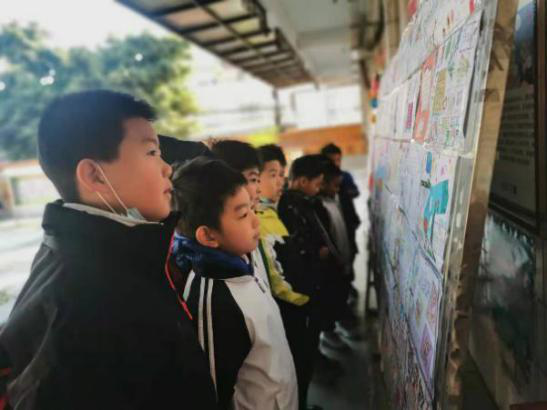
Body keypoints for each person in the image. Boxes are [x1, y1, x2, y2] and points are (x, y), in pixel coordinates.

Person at [0, 90, 218, 409]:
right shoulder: (91, 300)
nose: (167, 168)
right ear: (94, 176)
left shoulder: (86, 252)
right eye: (151, 152)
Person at [170, 157, 298, 410]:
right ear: (208, 236)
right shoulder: (214, 300)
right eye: (242, 214)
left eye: (252, 208)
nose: (255, 220)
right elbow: (212, 393)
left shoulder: (243, 258)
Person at [278, 154, 342, 410]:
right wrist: (317, 252)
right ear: (302, 181)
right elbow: (295, 252)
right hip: (301, 297)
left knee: (307, 354)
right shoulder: (289, 208)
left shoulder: (306, 203)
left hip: (311, 292)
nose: (319, 188)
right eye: (316, 183)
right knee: (300, 360)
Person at [256, 145, 315, 410]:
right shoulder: (259, 219)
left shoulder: (273, 212)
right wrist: (307, 300)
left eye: (281, 174)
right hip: (290, 310)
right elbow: (277, 279)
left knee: (301, 369)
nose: (280, 181)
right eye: (272, 174)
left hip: (297, 307)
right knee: (294, 370)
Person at [317, 159, 354, 349]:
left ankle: (334, 328)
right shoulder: (319, 206)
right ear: (322, 183)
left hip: (341, 260)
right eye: (335, 185)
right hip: (332, 266)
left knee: (339, 297)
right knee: (329, 302)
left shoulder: (334, 201)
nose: (337, 190)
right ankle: (328, 333)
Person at [320, 143, 361, 313]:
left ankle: (348, 288)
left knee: (349, 260)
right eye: (332, 160)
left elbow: (355, 193)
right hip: (334, 253)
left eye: (339, 160)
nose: (336, 163)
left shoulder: (344, 178)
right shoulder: (322, 202)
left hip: (347, 230)